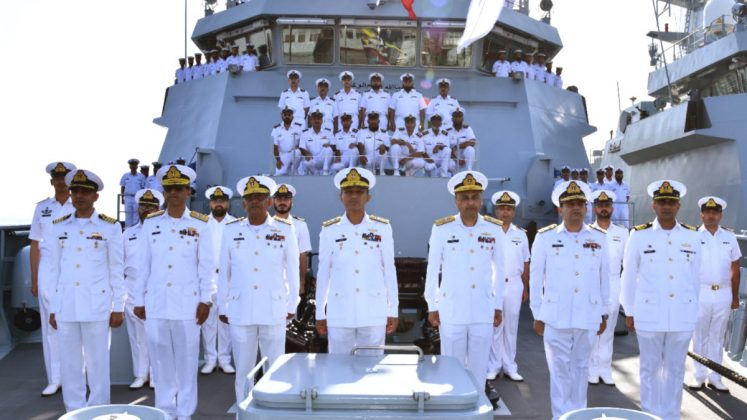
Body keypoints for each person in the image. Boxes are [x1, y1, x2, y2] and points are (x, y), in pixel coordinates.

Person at [132, 164, 215, 420]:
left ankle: (185, 412)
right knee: (161, 363)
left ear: (189, 191)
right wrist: (138, 299)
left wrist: (205, 300)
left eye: (179, 188)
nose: (174, 193)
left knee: (187, 363)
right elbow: (142, 265)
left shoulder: (201, 224)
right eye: (169, 189)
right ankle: (165, 411)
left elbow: (206, 266)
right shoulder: (152, 223)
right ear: (164, 192)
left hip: (187, 305)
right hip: (157, 303)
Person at [620, 180, 701, 420]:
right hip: (649, 315)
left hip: (681, 315)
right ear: (654, 205)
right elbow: (628, 275)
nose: (667, 206)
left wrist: (693, 312)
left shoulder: (693, 236)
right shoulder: (638, 235)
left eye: (671, 202)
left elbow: (696, 278)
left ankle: (671, 416)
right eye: (662, 202)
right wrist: (630, 311)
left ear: (678, 206)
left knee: (676, 371)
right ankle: (650, 416)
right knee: (649, 370)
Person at [530, 180, 609, 420]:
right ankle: (560, 417)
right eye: (569, 204)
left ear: (586, 208)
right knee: (559, 370)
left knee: (581, 368)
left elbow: (604, 277)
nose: (575, 207)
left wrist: (603, 313)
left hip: (588, 314)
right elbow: (535, 280)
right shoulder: (544, 238)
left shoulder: (600, 238)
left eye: (580, 204)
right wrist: (538, 314)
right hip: (555, 316)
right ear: (559, 209)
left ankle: (578, 416)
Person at [425, 171, 506, 405]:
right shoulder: (442, 228)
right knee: (452, 366)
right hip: (452, 309)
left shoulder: (493, 229)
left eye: (474, 197)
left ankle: (477, 408)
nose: (470, 202)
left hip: (482, 308)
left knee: (479, 368)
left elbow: (499, 271)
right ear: (456, 201)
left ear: (481, 200)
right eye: (465, 197)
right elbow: (432, 270)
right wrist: (433, 304)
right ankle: (453, 408)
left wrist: (497, 304)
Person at [218, 176, 299, 405]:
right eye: (250, 198)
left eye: (260, 197)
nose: (255, 201)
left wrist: (292, 303)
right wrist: (223, 304)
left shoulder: (284, 230)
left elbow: (292, 270)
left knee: (275, 368)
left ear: (269, 202)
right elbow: (224, 271)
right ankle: (243, 412)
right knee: (243, 371)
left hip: (274, 309)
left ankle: (274, 413)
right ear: (243, 203)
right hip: (240, 309)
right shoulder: (231, 230)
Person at [48, 169, 125, 412]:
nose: (79, 196)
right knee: (70, 363)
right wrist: (53, 307)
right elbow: (54, 271)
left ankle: (99, 410)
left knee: (97, 362)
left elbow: (116, 269)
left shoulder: (110, 227)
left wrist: (118, 307)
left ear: (95, 197)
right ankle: (74, 411)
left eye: (85, 192)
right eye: (75, 191)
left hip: (97, 306)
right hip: (67, 305)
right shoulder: (58, 227)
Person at [315, 168, 399, 354]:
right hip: (339, 311)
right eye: (349, 192)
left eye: (359, 192)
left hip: (373, 311)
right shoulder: (330, 230)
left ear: (368, 197)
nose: (354, 196)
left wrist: (392, 309)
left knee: (371, 369)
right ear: (341, 197)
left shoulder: (382, 228)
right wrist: (320, 312)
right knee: (338, 368)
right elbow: (323, 273)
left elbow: (389, 271)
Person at [29, 161, 77, 397]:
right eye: (56, 178)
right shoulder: (42, 209)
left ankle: (77, 376)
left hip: (73, 269)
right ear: (52, 182)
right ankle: (55, 378)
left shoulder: (79, 203)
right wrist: (35, 280)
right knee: (51, 327)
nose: (60, 181)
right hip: (48, 270)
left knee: (75, 324)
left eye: (64, 177)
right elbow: (35, 244)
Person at [690, 196, 741, 392]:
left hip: (723, 292)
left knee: (717, 337)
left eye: (715, 212)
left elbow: (735, 268)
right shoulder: (693, 236)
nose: (711, 215)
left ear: (720, 215)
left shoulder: (729, 237)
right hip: (700, 292)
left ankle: (715, 377)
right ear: (702, 214)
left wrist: (735, 297)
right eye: (707, 212)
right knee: (699, 335)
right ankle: (699, 375)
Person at [123, 188, 164, 390]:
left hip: (156, 290)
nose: (146, 209)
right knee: (137, 337)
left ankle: (157, 375)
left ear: (159, 208)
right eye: (143, 206)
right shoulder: (128, 234)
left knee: (156, 336)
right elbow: (118, 264)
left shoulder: (164, 232)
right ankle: (140, 374)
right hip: (132, 289)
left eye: (151, 206)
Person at [587, 190, 629, 386]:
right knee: (593, 327)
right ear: (595, 208)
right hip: (593, 283)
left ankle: (605, 368)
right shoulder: (587, 232)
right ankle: (591, 368)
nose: (604, 208)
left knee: (609, 328)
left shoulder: (622, 233)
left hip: (613, 283)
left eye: (607, 205)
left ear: (612, 208)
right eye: (600, 205)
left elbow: (628, 264)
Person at [487, 190, 529, 382]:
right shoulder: (488, 231)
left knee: (511, 327)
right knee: (495, 327)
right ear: (496, 211)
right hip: (494, 285)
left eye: (509, 209)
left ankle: (510, 366)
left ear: (513, 212)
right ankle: (494, 365)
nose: (505, 212)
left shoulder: (521, 235)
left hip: (514, 284)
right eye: (502, 208)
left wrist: (526, 288)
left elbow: (526, 263)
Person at [200, 186, 237, 375]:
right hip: (207, 277)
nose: (219, 204)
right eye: (215, 201)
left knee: (225, 319)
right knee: (208, 321)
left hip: (228, 277)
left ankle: (224, 359)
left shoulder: (235, 224)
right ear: (210, 203)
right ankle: (209, 359)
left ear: (228, 203)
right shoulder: (202, 224)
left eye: (222, 201)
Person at [272, 183, 312, 295]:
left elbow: (303, 255)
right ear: (273, 201)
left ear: (291, 202)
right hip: (269, 282)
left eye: (286, 199)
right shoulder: (266, 225)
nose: (282, 202)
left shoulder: (300, 225)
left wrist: (302, 282)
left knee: (290, 312)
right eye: (279, 199)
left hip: (291, 282)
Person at [298, 110, 334, 175]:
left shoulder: (328, 133)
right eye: (314, 119)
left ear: (322, 121)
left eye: (319, 119)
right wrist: (307, 153)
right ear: (311, 121)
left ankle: (325, 171)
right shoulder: (305, 133)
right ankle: (315, 172)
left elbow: (334, 146)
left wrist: (329, 145)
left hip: (323, 159)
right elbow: (301, 147)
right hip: (311, 159)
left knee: (328, 149)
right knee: (307, 162)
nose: (316, 121)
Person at [272, 107, 303, 176]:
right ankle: (287, 170)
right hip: (282, 155)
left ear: (292, 116)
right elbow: (275, 146)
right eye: (285, 115)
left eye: (289, 115)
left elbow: (302, 144)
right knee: (279, 174)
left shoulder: (298, 128)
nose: (287, 116)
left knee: (298, 152)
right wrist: (278, 160)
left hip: (294, 154)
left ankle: (294, 170)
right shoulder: (276, 129)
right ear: (282, 116)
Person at [120, 158, 145, 227]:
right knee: (128, 214)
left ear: (137, 166)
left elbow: (143, 188)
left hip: (137, 197)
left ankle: (135, 230)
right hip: (127, 197)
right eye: (132, 165)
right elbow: (122, 186)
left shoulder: (141, 176)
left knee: (136, 215)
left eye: (134, 165)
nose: (133, 166)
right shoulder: (125, 176)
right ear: (129, 166)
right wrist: (122, 198)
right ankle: (127, 230)